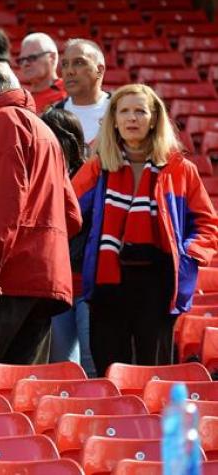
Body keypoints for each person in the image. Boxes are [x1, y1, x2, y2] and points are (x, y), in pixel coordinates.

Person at [73, 84, 218, 375]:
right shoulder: (97, 167)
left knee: (155, 374)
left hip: (158, 284)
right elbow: (66, 212)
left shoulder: (180, 169)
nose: (132, 118)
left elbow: (207, 225)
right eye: (124, 111)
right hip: (107, 283)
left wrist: (187, 254)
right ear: (113, 120)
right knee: (110, 374)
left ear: (154, 119)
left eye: (140, 111)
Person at [0, 62, 82, 378]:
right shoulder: (43, 129)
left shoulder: (3, 121)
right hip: (41, 278)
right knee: (23, 387)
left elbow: (5, 200)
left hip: (3, 277)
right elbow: (71, 215)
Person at [40, 108, 95, 377]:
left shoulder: (93, 178)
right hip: (55, 287)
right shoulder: (37, 179)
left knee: (91, 362)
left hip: (87, 286)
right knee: (61, 367)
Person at [54, 38, 110, 146]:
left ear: (100, 70)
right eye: (65, 64)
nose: (69, 71)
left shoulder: (119, 110)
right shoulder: (53, 118)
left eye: (78, 63)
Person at [19, 33, 66, 112]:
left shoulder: (71, 91)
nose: (25, 64)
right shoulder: (21, 101)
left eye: (32, 57)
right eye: (21, 60)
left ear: (52, 57)